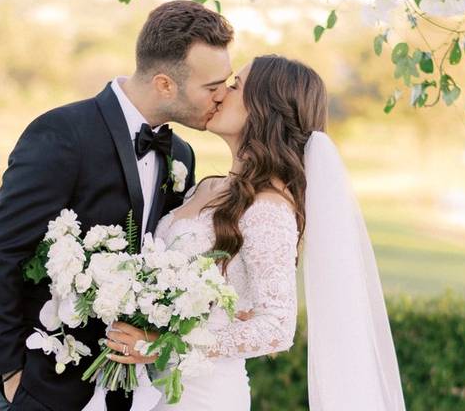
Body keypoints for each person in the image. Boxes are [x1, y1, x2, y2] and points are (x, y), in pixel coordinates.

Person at [0, 0, 235, 411]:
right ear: (165, 83)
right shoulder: (62, 133)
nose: (221, 97)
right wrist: (9, 376)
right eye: (212, 87)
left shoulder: (180, 156)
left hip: (132, 388)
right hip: (46, 385)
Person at [105, 55, 407, 410]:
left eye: (234, 86)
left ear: (264, 110)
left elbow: (276, 327)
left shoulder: (267, 209)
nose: (219, 94)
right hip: (152, 387)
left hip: (201, 395)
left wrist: (163, 343)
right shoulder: (207, 187)